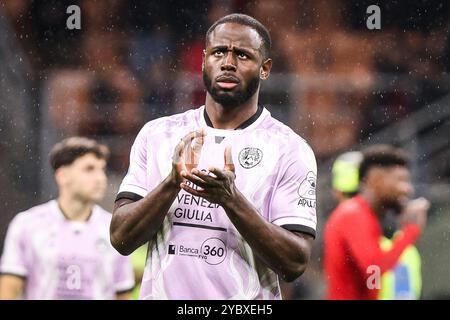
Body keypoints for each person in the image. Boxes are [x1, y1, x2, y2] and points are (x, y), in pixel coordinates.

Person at [111, 13, 317, 299]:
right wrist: (171, 183)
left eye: (243, 55)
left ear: (265, 68)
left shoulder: (289, 148)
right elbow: (121, 238)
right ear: (204, 60)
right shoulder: (158, 134)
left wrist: (231, 199)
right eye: (219, 52)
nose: (228, 63)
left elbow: (295, 263)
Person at [0, 137, 135, 300]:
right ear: (62, 176)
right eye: (89, 169)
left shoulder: (114, 229)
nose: (101, 178)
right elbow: (8, 290)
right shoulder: (26, 224)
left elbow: (123, 294)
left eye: (102, 169)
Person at [324, 145, 429, 300]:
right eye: (401, 180)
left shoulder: (364, 215)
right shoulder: (353, 214)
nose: (408, 189)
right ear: (376, 180)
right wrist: (411, 230)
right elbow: (375, 268)